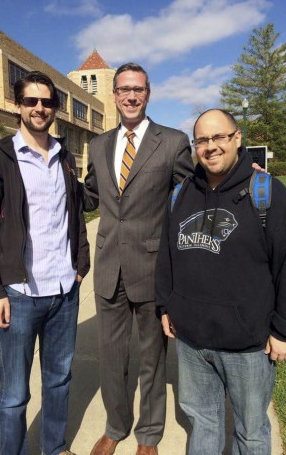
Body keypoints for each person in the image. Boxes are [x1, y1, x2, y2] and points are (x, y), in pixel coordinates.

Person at [155, 108, 286, 455]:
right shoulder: (181, 194)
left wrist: (285, 331)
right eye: (202, 140)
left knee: (250, 433)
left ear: (237, 139)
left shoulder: (266, 192)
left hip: (247, 346)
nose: (210, 147)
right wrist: (166, 305)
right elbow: (167, 255)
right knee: (203, 424)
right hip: (191, 343)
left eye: (219, 137)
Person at [0, 71, 90, 455]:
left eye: (47, 102)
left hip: (63, 292)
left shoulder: (65, 157)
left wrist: (80, 265)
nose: (40, 108)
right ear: (17, 106)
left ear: (55, 108)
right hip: (19, 295)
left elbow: (77, 212)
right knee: (14, 393)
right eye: (31, 101)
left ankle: (54, 447)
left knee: (59, 381)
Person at [83, 62, 194, 455]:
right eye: (124, 89)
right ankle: (116, 426)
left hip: (150, 267)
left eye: (138, 89)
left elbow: (194, 195)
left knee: (151, 358)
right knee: (112, 358)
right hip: (109, 267)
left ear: (148, 94)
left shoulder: (174, 141)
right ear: (114, 94)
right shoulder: (98, 145)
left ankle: (149, 434)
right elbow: (91, 196)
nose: (131, 96)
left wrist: (242, 175)